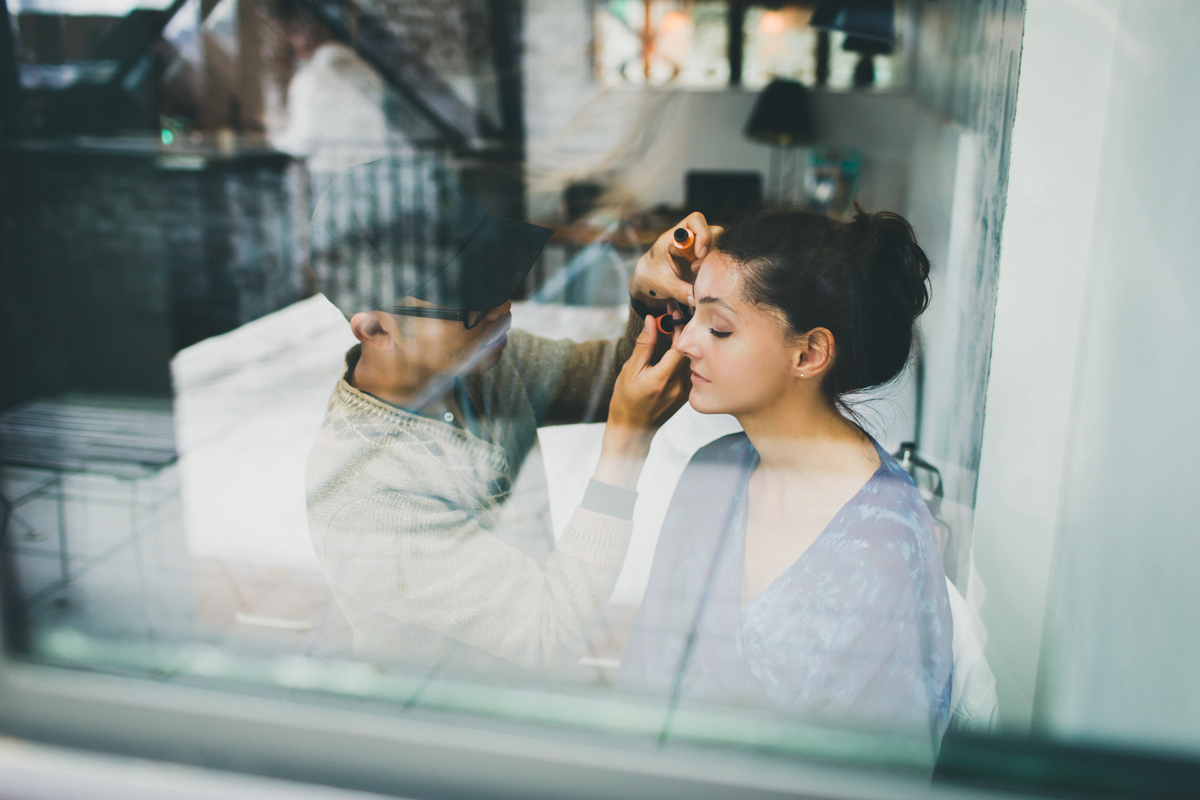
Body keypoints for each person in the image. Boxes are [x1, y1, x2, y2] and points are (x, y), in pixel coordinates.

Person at [304, 157, 702, 671]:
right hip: (451, 729)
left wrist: (651, 291)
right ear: (376, 330)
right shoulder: (366, 496)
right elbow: (548, 636)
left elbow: (609, 379)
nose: (502, 309)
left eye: (494, 276)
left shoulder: (479, 364)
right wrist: (626, 446)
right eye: (469, 302)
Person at [615, 205, 954, 741]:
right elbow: (642, 688)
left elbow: (875, 771)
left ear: (809, 353)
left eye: (720, 328)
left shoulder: (885, 544)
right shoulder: (713, 475)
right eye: (693, 314)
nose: (684, 342)